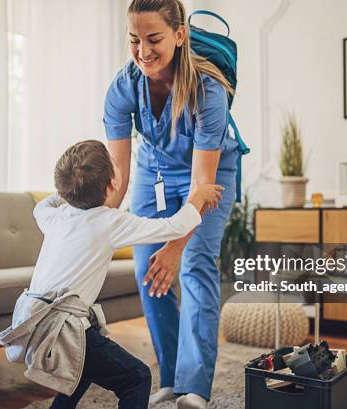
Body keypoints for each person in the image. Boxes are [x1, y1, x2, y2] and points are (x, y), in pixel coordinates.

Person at [0, 140, 223, 409]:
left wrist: (67, 191)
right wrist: (198, 196)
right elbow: (174, 227)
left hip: (31, 320)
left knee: (80, 368)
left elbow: (40, 206)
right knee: (137, 377)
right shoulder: (109, 221)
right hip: (63, 328)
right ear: (113, 183)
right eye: (116, 166)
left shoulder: (54, 216)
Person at [103, 1, 239, 408]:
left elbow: (202, 183)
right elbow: (118, 178)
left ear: (180, 35)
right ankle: (172, 375)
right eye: (134, 40)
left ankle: (195, 387)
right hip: (154, 170)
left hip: (211, 174)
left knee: (194, 262)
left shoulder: (208, 90)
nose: (143, 50)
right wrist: (92, 230)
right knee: (148, 267)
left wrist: (176, 246)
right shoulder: (123, 87)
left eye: (154, 39)